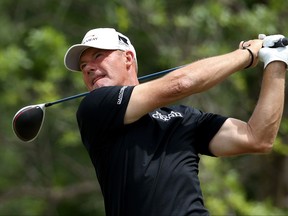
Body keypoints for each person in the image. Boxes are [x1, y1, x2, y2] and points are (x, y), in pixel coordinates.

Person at [63, 28, 288, 216]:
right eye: (83, 66)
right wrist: (248, 54)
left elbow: (257, 138)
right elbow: (181, 84)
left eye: (98, 56)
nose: (89, 68)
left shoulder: (182, 117)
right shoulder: (95, 107)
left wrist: (276, 62)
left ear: (128, 58)